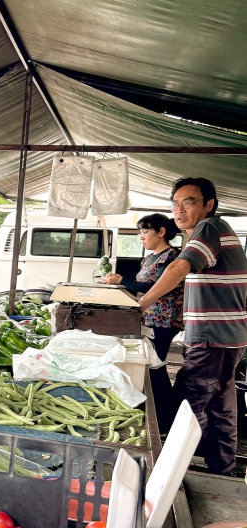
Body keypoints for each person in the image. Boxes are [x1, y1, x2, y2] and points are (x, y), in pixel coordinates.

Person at [139, 177, 247, 475]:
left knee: (188, 403)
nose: (180, 210)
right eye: (175, 204)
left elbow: (179, 266)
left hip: (212, 337)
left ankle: (174, 473)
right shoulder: (215, 231)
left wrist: (142, 304)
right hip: (227, 337)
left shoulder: (210, 227)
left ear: (209, 205)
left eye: (189, 202)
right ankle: (221, 468)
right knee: (220, 406)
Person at [102, 214, 184, 432]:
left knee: (155, 366)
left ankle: (166, 419)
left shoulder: (172, 257)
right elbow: (141, 286)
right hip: (148, 318)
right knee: (149, 365)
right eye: (140, 233)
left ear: (161, 232)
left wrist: (122, 280)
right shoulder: (149, 258)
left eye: (145, 232)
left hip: (164, 320)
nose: (141, 237)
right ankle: (158, 414)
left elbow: (155, 287)